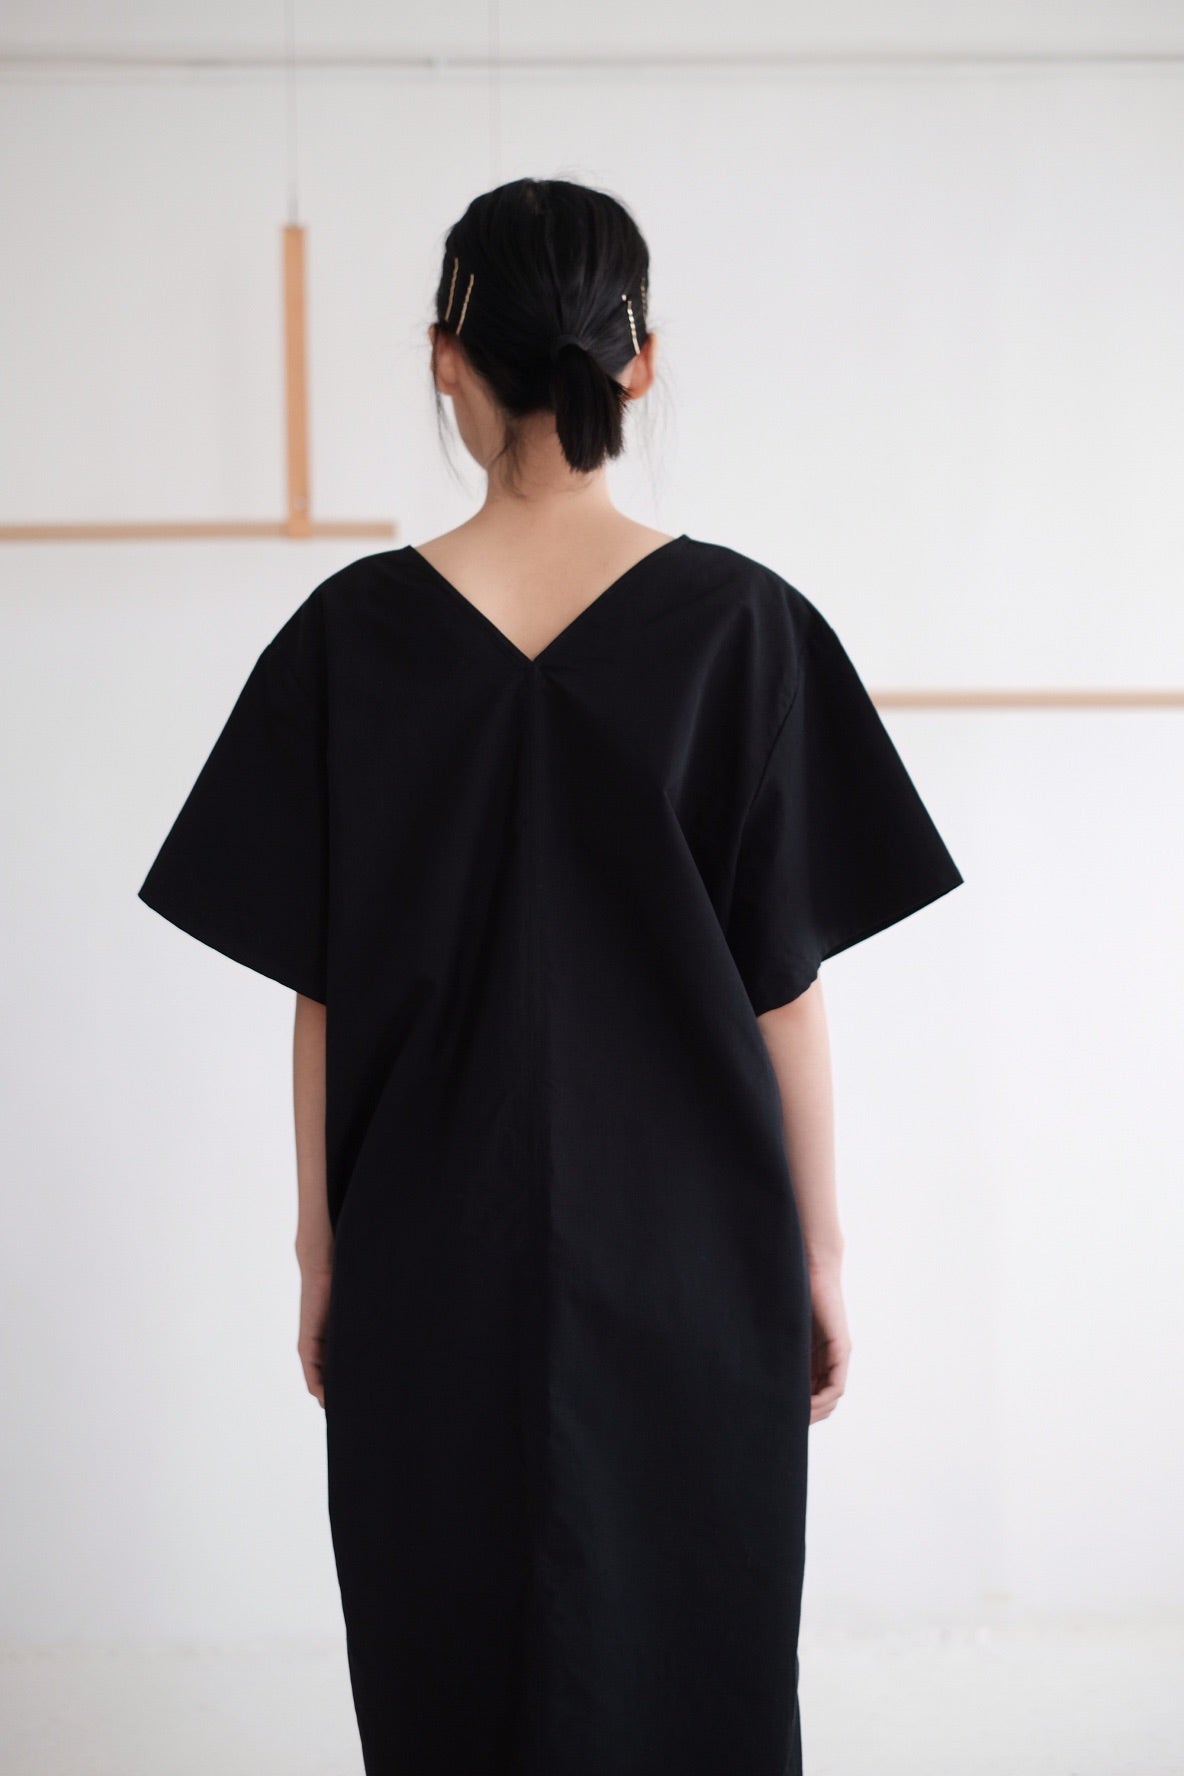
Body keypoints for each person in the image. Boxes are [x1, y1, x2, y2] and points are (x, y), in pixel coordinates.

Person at [138, 176, 964, 1776]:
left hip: (427, 1253)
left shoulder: (350, 638)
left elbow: (322, 992)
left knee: (447, 1669)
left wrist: (321, 1246)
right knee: (693, 1666)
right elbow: (785, 992)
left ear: (446, 357)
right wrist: (818, 1255)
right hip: (697, 1260)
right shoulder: (744, 629)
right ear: (639, 362)